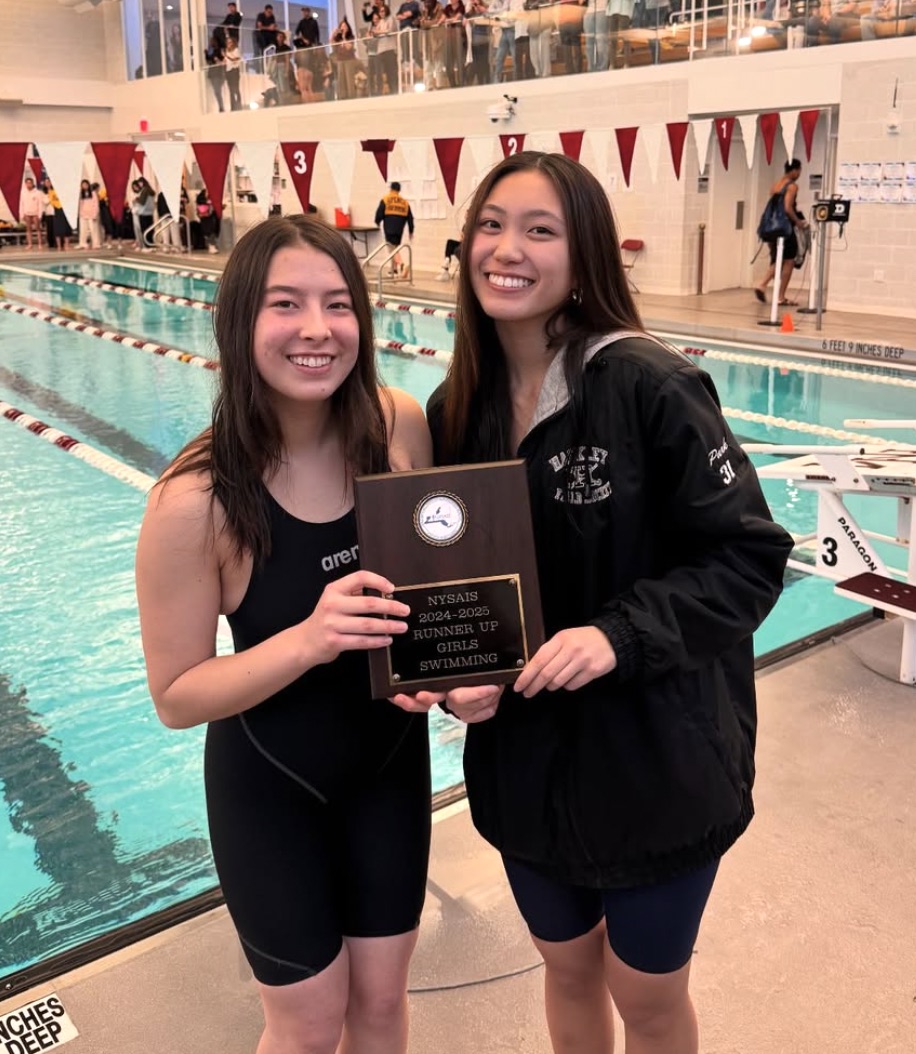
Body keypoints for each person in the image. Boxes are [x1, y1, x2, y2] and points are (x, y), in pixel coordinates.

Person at [409, 152, 793, 1054]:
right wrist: (456, 677)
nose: (508, 248)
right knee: (569, 970)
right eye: (494, 224)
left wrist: (618, 636)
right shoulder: (454, 407)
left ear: (583, 257)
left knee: (646, 996)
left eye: (540, 230)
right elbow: (457, 581)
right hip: (525, 769)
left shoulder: (649, 387)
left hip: (657, 764)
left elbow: (749, 556)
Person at [135, 214, 433, 1054]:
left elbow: (438, 596)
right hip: (271, 789)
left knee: (380, 1003)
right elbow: (176, 695)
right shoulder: (195, 501)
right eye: (285, 304)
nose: (316, 329)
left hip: (390, 769)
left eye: (339, 304)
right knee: (304, 1026)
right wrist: (309, 638)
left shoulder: (397, 426)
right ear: (239, 322)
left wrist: (462, 679)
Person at [754, 157, 809, 306]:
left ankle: (763, 285)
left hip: (771, 229)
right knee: (789, 261)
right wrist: (798, 222)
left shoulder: (776, 185)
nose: (799, 174)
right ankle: (780, 296)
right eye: (799, 171)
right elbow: (787, 207)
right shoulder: (792, 186)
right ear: (794, 170)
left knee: (777, 259)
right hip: (784, 229)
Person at [374, 180, 414, 276]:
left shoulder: (386, 199)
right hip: (399, 229)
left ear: (391, 189)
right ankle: (394, 270)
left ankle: (402, 265)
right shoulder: (404, 202)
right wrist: (411, 231)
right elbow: (410, 217)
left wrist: (377, 221)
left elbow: (380, 212)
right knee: (395, 247)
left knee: (392, 249)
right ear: (399, 190)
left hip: (389, 227)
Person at [77, 179, 102, 250]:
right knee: (83, 230)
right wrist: (80, 213)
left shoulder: (93, 193)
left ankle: (96, 244)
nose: (84, 186)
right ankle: (82, 243)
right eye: (83, 185)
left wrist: (95, 214)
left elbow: (96, 204)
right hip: (83, 214)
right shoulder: (81, 194)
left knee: (93, 229)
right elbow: (80, 204)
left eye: (85, 184)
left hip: (92, 214)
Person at [19, 176, 43, 250]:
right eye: (27, 183)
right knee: (28, 229)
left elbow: (40, 204)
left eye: (30, 183)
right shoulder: (23, 192)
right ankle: (30, 244)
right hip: (27, 213)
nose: (29, 184)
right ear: (25, 184)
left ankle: (40, 244)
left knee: (38, 229)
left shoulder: (38, 192)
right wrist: (22, 214)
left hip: (35, 213)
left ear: (33, 184)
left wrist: (39, 214)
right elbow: (21, 204)